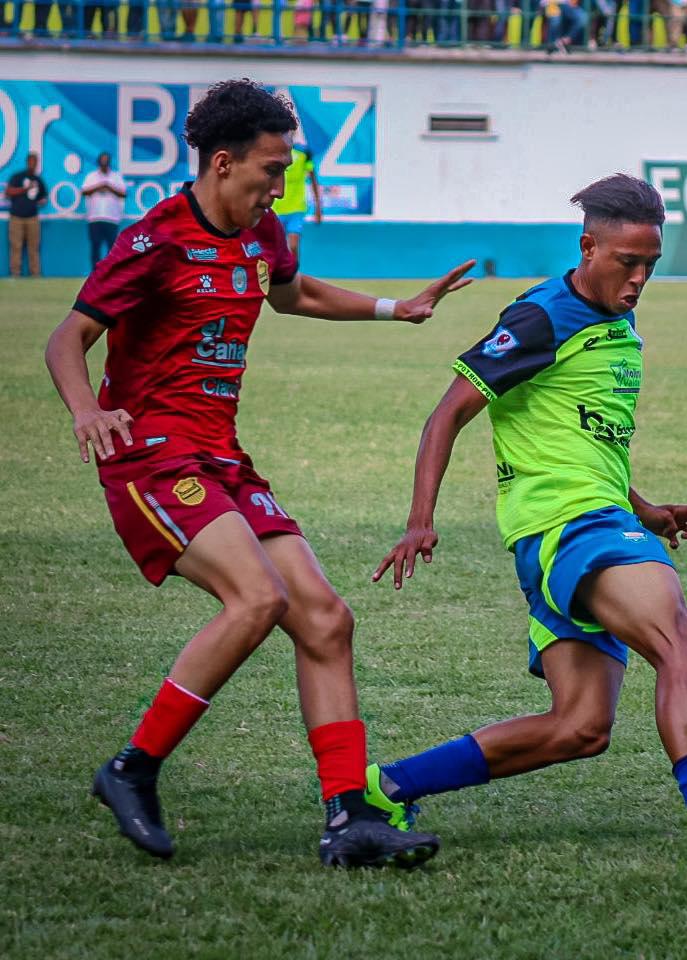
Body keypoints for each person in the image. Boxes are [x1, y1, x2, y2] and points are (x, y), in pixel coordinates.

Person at [44, 79, 475, 868]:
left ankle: (350, 819)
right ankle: (131, 769)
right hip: (152, 454)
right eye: (270, 171)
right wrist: (85, 411)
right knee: (258, 597)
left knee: (326, 618)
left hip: (222, 456)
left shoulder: (262, 233)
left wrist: (396, 309)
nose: (278, 188)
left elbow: (292, 293)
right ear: (222, 163)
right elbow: (67, 338)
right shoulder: (156, 239)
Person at [368, 174, 687, 876]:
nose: (638, 280)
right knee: (679, 645)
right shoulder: (542, 317)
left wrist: (646, 509)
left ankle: (386, 787)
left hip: (584, 524)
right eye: (626, 262)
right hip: (568, 527)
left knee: (579, 727)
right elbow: (447, 412)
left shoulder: (615, 320)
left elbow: (582, 438)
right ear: (587, 247)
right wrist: (420, 520)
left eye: (650, 265)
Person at [272, 143, 321, 257]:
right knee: (275, 249)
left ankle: (294, 268)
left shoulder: (304, 153)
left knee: (293, 246)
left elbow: (313, 180)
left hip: (296, 208)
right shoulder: (274, 152)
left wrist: (318, 207)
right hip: (276, 209)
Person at [81, 151, 127, 269]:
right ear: (98, 162)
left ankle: (110, 273)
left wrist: (109, 187)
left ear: (109, 162)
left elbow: (123, 194)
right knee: (95, 246)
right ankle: (95, 273)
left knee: (112, 248)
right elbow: (84, 192)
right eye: (102, 160)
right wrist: (99, 186)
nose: (104, 162)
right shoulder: (91, 176)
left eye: (106, 160)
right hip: (95, 217)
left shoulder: (116, 177)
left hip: (112, 218)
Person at [6, 151, 48, 277]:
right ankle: (15, 274)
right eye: (31, 161)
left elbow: (43, 197)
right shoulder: (17, 177)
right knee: (16, 246)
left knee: (34, 247)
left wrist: (42, 201)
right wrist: (25, 189)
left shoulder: (38, 180)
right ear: (27, 162)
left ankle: (35, 274)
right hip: (16, 217)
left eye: (35, 162)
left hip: (32, 218)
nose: (33, 164)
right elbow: (8, 192)